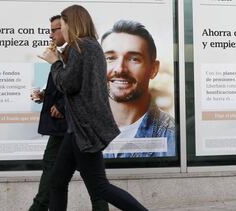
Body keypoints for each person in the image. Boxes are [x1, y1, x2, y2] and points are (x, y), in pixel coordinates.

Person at [37, 5, 148, 211]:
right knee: (57, 182)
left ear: (73, 24)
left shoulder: (82, 47)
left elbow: (68, 84)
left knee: (99, 187)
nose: (63, 30)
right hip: (80, 128)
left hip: (84, 127)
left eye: (64, 25)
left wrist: (54, 63)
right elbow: (79, 83)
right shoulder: (88, 46)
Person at [29, 15, 109, 211]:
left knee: (93, 183)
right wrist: (46, 95)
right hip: (70, 127)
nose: (52, 34)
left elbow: (77, 85)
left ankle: (38, 207)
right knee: (62, 179)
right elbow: (65, 84)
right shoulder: (69, 51)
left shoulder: (79, 49)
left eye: (57, 29)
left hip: (74, 125)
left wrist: (62, 105)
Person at [101, 20, 175, 158]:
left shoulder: (172, 136)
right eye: (110, 58)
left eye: (134, 59)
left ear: (153, 69)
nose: (120, 69)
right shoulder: (81, 129)